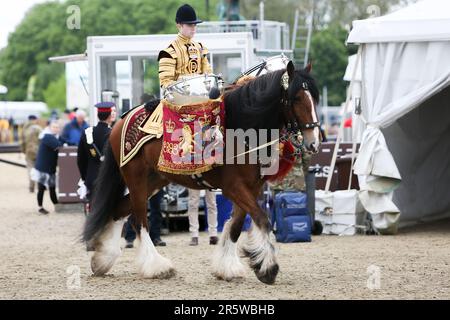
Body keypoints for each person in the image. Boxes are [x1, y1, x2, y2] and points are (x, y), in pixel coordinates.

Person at [158, 3, 212, 89]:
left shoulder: (200, 48)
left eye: (195, 25)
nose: (193, 28)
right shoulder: (169, 52)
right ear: (179, 25)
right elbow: (165, 83)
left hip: (201, 94)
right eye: (189, 25)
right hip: (178, 99)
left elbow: (208, 75)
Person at [77, 102, 115, 204]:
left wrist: (85, 178)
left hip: (91, 178)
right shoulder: (114, 133)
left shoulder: (87, 133)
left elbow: (80, 160)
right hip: (109, 179)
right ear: (110, 116)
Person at [31, 120, 63, 214]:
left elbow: (63, 141)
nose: (56, 129)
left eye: (57, 127)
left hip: (50, 167)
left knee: (52, 187)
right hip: (43, 168)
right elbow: (58, 145)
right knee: (41, 188)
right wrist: (64, 144)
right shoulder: (47, 136)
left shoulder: (56, 137)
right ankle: (40, 207)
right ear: (49, 128)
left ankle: (57, 205)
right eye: (54, 127)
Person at [21, 115, 42, 192]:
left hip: (29, 150)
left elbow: (22, 142)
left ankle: (31, 186)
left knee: (30, 168)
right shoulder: (38, 128)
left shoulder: (25, 128)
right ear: (35, 120)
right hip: (38, 151)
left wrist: (23, 150)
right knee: (39, 169)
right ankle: (40, 186)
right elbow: (42, 140)